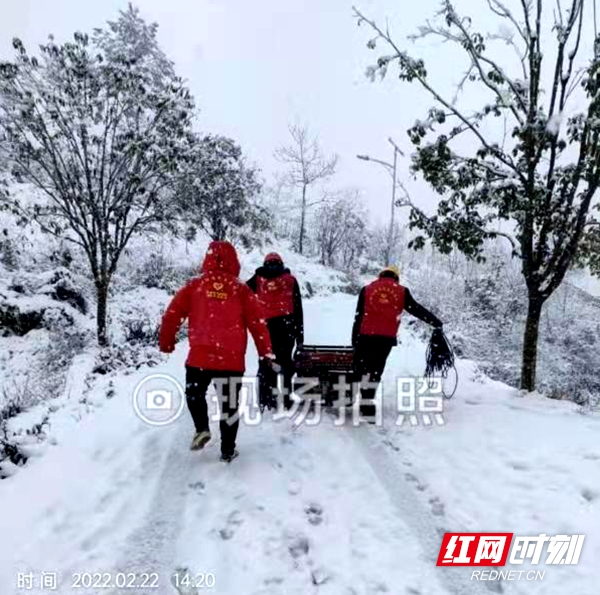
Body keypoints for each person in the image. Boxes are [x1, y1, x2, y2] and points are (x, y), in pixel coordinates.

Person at [159, 240, 275, 462]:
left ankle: (202, 427)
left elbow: (172, 314)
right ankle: (228, 450)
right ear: (234, 261)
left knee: (194, 394)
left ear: (208, 259)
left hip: (199, 356)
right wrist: (265, 352)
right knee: (229, 406)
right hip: (230, 360)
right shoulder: (240, 289)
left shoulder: (195, 286)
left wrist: (167, 341)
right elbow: (258, 323)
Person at [352, 265, 443, 420]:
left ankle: (360, 396)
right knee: (376, 369)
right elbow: (416, 309)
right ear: (396, 277)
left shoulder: (366, 289)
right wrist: (435, 322)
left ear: (381, 275)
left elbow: (358, 316)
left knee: (364, 367)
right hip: (385, 338)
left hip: (365, 336)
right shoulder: (402, 291)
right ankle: (367, 402)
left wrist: (354, 340)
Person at [247, 252, 303, 409]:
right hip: (287, 328)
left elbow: (242, 293)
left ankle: (267, 399)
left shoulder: (257, 279)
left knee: (266, 363)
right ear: (281, 263)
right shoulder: (290, 281)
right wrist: (300, 337)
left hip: (266, 329)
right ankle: (286, 399)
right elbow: (298, 308)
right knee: (285, 364)